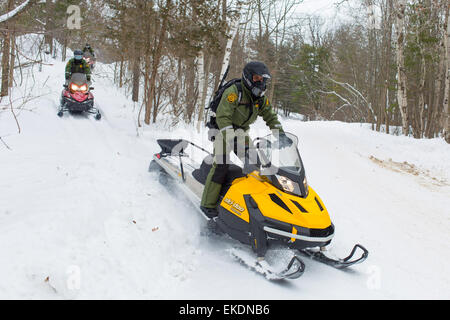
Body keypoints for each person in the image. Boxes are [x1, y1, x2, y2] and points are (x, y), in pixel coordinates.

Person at [200, 61, 292, 218]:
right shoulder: (234, 92)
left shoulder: (259, 98)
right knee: (221, 165)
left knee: (255, 164)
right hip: (223, 129)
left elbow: (270, 116)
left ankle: (252, 205)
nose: (261, 83)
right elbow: (223, 116)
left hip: (241, 132)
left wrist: (280, 134)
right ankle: (207, 204)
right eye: (257, 78)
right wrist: (231, 138)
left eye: (264, 80)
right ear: (248, 77)